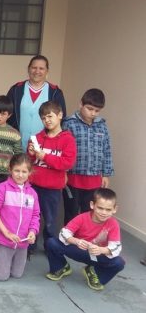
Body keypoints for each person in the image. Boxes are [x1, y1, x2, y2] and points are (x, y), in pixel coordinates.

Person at [45, 188, 124, 291]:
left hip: (97, 255)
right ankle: (61, 267)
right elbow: (64, 233)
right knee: (51, 242)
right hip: (78, 250)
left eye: (108, 210)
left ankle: (94, 272)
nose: (104, 212)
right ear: (92, 205)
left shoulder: (113, 224)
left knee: (119, 263)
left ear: (114, 209)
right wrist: (76, 241)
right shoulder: (81, 218)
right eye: (100, 208)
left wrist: (101, 250)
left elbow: (116, 247)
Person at [28, 101, 77, 250]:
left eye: (50, 116)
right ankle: (30, 246)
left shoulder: (68, 139)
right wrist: (31, 154)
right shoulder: (36, 137)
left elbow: (67, 163)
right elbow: (28, 163)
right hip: (33, 186)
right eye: (43, 118)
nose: (47, 120)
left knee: (50, 220)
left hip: (53, 189)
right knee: (31, 217)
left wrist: (45, 157)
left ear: (60, 115)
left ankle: (50, 247)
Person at [62, 88, 113, 224]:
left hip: (94, 179)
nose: (93, 113)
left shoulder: (102, 126)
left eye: (97, 110)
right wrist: (63, 172)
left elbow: (107, 150)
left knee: (89, 213)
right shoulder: (69, 123)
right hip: (73, 178)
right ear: (81, 104)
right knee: (71, 212)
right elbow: (63, 149)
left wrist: (106, 174)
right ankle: (69, 235)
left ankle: (85, 235)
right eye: (89, 109)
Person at [0, 154, 40, 281]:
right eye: (17, 170)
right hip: (5, 239)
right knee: (2, 277)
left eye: (24, 171)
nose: (20, 175)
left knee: (17, 274)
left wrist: (33, 232)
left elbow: (35, 215)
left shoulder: (32, 193)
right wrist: (6, 233)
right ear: (10, 169)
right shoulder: (1, 188)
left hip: (23, 241)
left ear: (29, 172)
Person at [7, 55, 66, 149]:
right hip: (17, 146)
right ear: (28, 69)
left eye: (41, 68)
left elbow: (61, 119)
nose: (37, 71)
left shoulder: (55, 92)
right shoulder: (16, 89)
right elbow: (7, 114)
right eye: (34, 68)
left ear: (47, 71)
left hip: (45, 147)